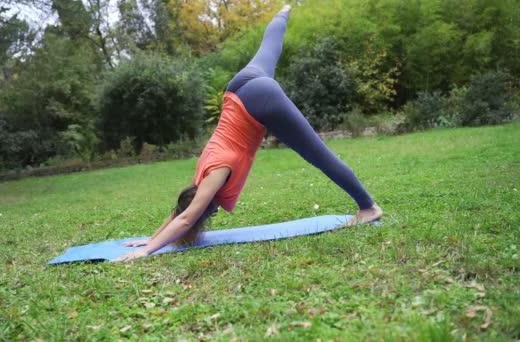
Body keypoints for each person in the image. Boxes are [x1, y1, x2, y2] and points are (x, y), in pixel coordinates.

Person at [114, 5, 382, 262]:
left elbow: (186, 218)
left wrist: (147, 251)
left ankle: (369, 207)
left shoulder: (217, 174)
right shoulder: (200, 177)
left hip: (259, 102)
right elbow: (183, 209)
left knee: (320, 156)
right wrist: (151, 238)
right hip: (238, 86)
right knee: (269, 48)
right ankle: (284, 12)